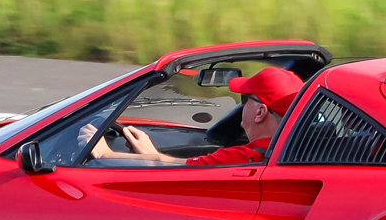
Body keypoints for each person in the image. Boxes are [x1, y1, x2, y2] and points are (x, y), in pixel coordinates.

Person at [91, 66, 303, 166]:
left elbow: (177, 174)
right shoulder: (295, 155)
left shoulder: (244, 157)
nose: (242, 105)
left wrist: (103, 155)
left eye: (244, 98)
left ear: (260, 112)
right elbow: (169, 165)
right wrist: (149, 153)